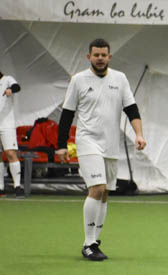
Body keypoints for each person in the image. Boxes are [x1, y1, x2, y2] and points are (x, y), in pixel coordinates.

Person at [55, 38, 146, 261]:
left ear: (109, 57)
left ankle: (95, 241)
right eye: (96, 55)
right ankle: (88, 244)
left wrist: (139, 134)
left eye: (103, 55)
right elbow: (67, 114)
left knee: (105, 194)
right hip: (87, 141)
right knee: (97, 187)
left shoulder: (120, 78)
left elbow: (131, 109)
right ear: (89, 57)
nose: (100, 58)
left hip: (111, 145)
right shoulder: (78, 80)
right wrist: (61, 145)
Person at [0, 71, 23, 198]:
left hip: (7, 124)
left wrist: (10, 90)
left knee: (10, 153)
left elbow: (17, 87)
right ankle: (1, 187)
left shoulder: (7, 79)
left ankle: (17, 186)